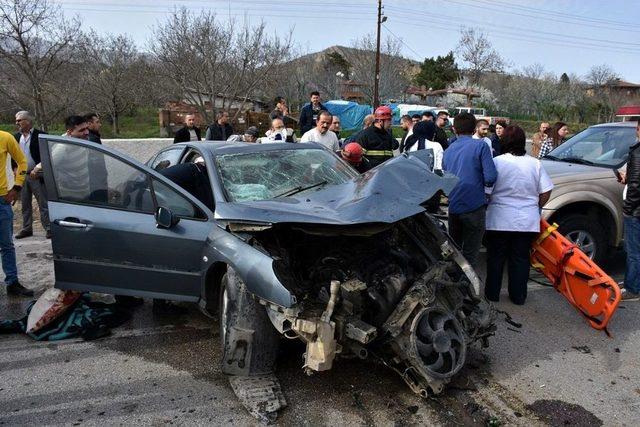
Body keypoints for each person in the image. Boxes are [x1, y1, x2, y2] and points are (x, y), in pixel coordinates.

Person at [484, 125, 553, 305]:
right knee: (520, 259)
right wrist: (536, 205)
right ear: (523, 142)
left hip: (499, 218)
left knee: (496, 258)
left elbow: (487, 191)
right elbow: (546, 191)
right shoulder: (535, 163)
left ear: (504, 141)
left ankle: (492, 295)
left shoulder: (497, 162)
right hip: (526, 220)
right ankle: (518, 296)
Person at [443, 112, 497, 269]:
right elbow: (490, 177)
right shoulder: (481, 145)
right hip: (474, 206)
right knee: (470, 256)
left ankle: (455, 288)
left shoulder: (448, 150)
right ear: (474, 129)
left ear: (454, 129)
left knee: (455, 254)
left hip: (454, 207)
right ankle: (468, 289)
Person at [0, 130, 30, 296]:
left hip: (1, 200)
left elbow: (22, 162)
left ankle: (12, 282)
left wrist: (17, 186)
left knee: (6, 245)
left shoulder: (5, 137)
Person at [13, 111, 51, 240]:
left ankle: (48, 228)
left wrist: (37, 168)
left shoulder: (41, 136)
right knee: (25, 204)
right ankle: (26, 228)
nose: (17, 123)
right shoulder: (16, 137)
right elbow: (13, 155)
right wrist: (14, 169)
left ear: (28, 121)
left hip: (37, 175)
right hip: (22, 175)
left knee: (43, 203)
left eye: (19, 120)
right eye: (16, 120)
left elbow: (47, 154)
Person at [620, 121, 640, 301]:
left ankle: (632, 287)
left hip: (635, 210)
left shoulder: (637, 150)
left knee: (633, 251)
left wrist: (628, 208)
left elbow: (636, 184)